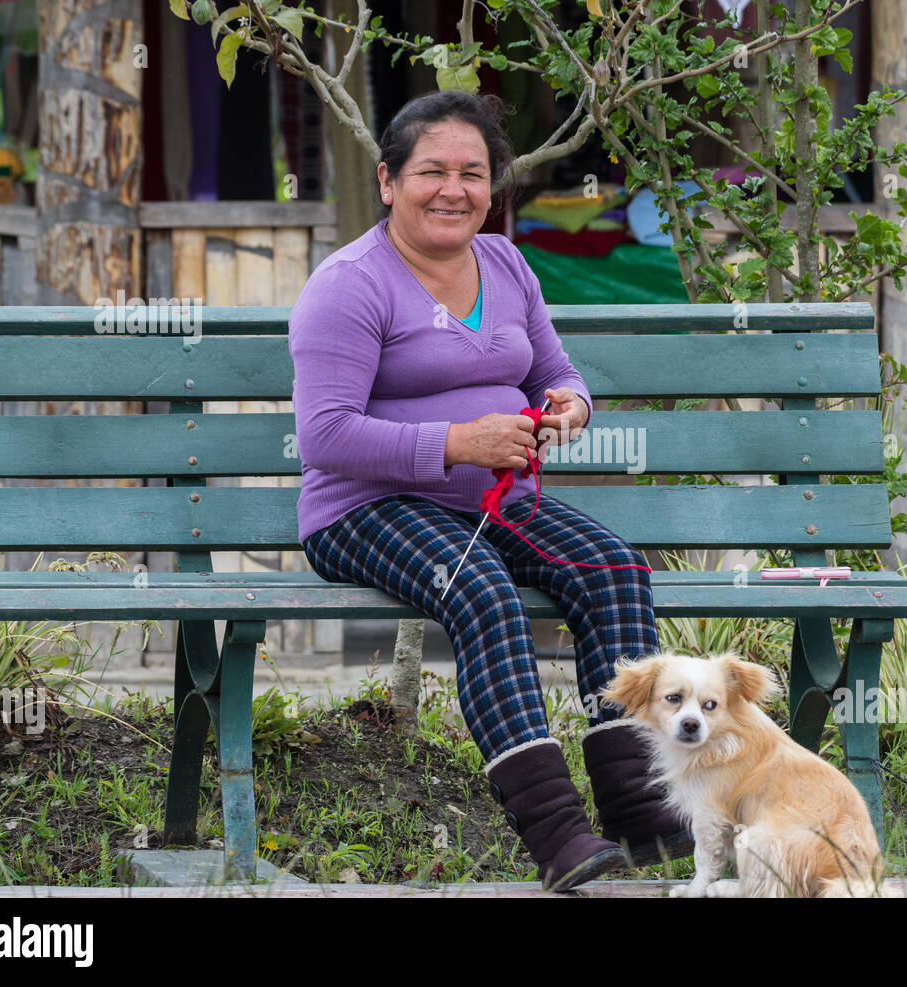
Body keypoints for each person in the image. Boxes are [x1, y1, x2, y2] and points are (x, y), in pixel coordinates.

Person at [289, 90, 690, 891]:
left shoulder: (505, 262)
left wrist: (572, 405)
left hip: (489, 500)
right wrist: (458, 442)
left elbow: (557, 371)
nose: (454, 189)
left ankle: (639, 805)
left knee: (613, 568)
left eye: (473, 173)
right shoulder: (350, 284)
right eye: (432, 170)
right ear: (388, 181)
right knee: (483, 591)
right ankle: (556, 834)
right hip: (363, 507)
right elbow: (325, 435)